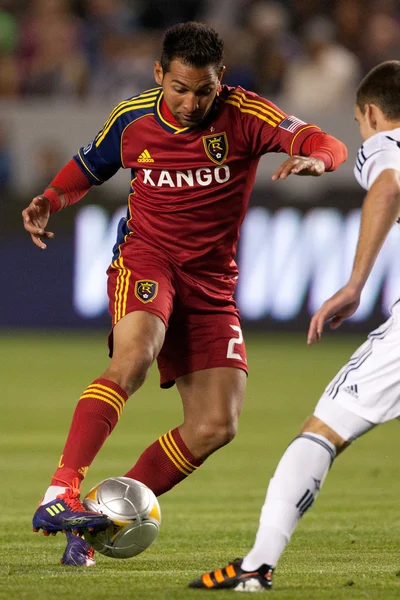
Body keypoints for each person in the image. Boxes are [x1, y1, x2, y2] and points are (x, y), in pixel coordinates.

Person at [23, 21, 347, 567]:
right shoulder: (132, 118)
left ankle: (97, 517)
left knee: (215, 426)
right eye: (180, 88)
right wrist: (51, 199)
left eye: (204, 90)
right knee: (134, 358)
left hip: (213, 283)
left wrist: (319, 159)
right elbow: (88, 166)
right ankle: (60, 492)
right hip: (147, 259)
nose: (192, 102)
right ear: (160, 75)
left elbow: (324, 140)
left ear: (221, 79)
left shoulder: (246, 113)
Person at [189, 59, 400, 592]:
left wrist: (354, 284)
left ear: (370, 113)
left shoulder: (386, 144)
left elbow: (389, 186)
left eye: (358, 122)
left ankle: (257, 565)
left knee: (323, 431)